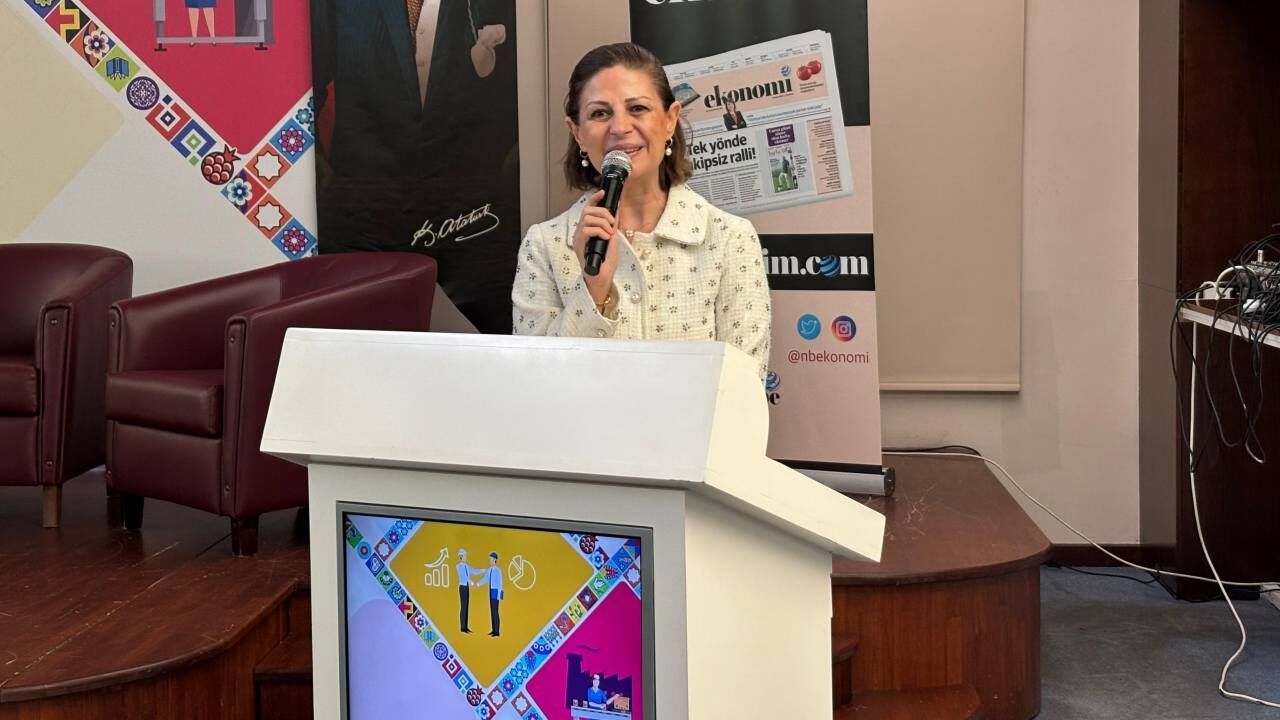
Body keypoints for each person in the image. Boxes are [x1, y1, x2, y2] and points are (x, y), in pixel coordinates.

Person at [511, 43, 772, 381]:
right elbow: (534, 382)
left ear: (670, 119)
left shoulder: (729, 238)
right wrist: (593, 289)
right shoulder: (545, 245)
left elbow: (742, 388)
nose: (620, 127)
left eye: (637, 108)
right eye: (600, 114)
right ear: (577, 133)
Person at [454, 548, 484, 633]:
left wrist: (483, 570)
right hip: (462, 587)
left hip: (467, 587)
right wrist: (472, 583)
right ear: (461, 556)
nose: (466, 557)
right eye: (464, 556)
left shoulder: (466, 566)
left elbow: (474, 571)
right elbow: (465, 576)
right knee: (463, 606)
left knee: (466, 606)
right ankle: (462, 627)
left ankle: (466, 627)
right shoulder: (458, 566)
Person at [474, 551, 504, 636]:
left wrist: (499, 594)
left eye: (491, 559)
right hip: (490, 591)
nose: (490, 561)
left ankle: (497, 631)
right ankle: (493, 630)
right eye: (490, 559)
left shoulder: (498, 570)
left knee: (495, 611)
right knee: (492, 611)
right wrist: (478, 584)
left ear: (495, 560)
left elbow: (500, 583)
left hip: (495, 591)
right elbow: (485, 579)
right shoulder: (489, 570)